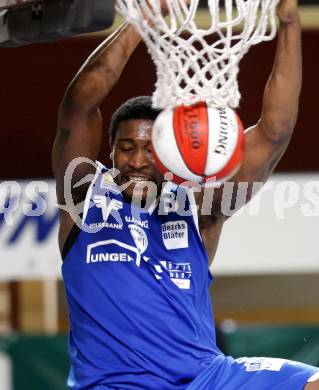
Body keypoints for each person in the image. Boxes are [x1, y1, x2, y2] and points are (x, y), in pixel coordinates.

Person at [52, 0, 319, 389]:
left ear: (167, 154)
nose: (138, 161)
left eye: (150, 150)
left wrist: (290, 23)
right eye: (127, 148)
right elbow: (79, 103)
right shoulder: (83, 194)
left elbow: (273, 134)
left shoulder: (198, 206)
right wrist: (139, 22)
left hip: (207, 377)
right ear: (110, 151)